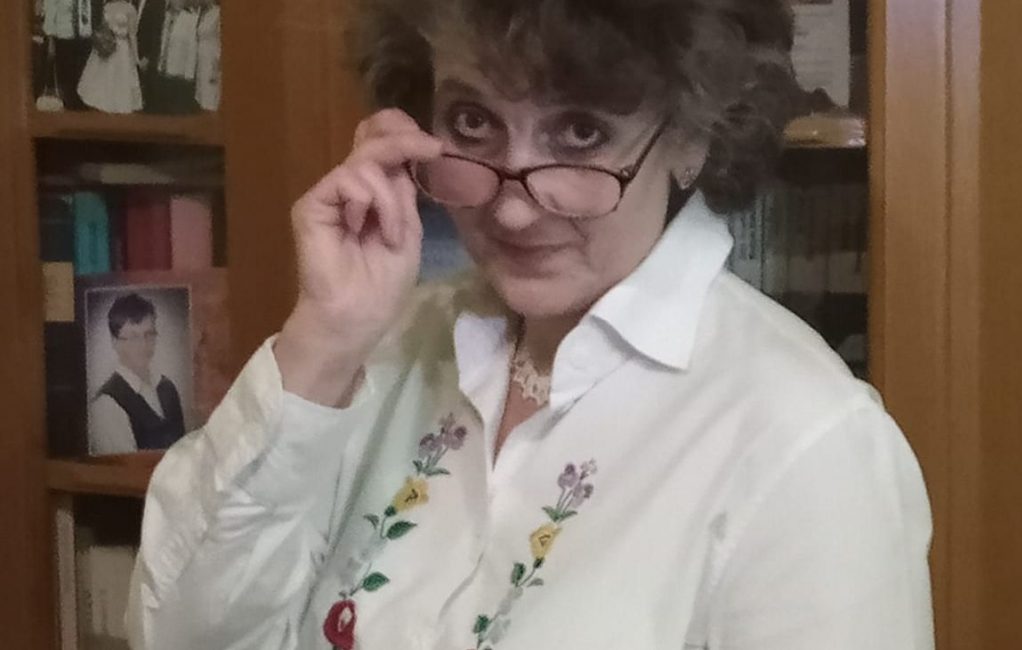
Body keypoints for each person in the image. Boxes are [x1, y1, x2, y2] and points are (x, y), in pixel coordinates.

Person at [127, 1, 934, 648]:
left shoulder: (807, 442)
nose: (513, 207)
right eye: (472, 124)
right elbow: (182, 637)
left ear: (693, 136)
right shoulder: (382, 349)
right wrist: (324, 340)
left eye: (580, 133)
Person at [89, 293, 185, 455]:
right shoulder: (107, 405)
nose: (143, 345)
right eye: (133, 337)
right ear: (115, 342)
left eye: (149, 335)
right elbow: (125, 467)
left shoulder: (167, 388)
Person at [77, 0, 144, 114]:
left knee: (119, 79)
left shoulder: (130, 9)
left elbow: (132, 35)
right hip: (106, 45)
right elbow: (103, 27)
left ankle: (117, 107)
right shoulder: (107, 6)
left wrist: (136, 57)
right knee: (102, 78)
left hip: (122, 48)